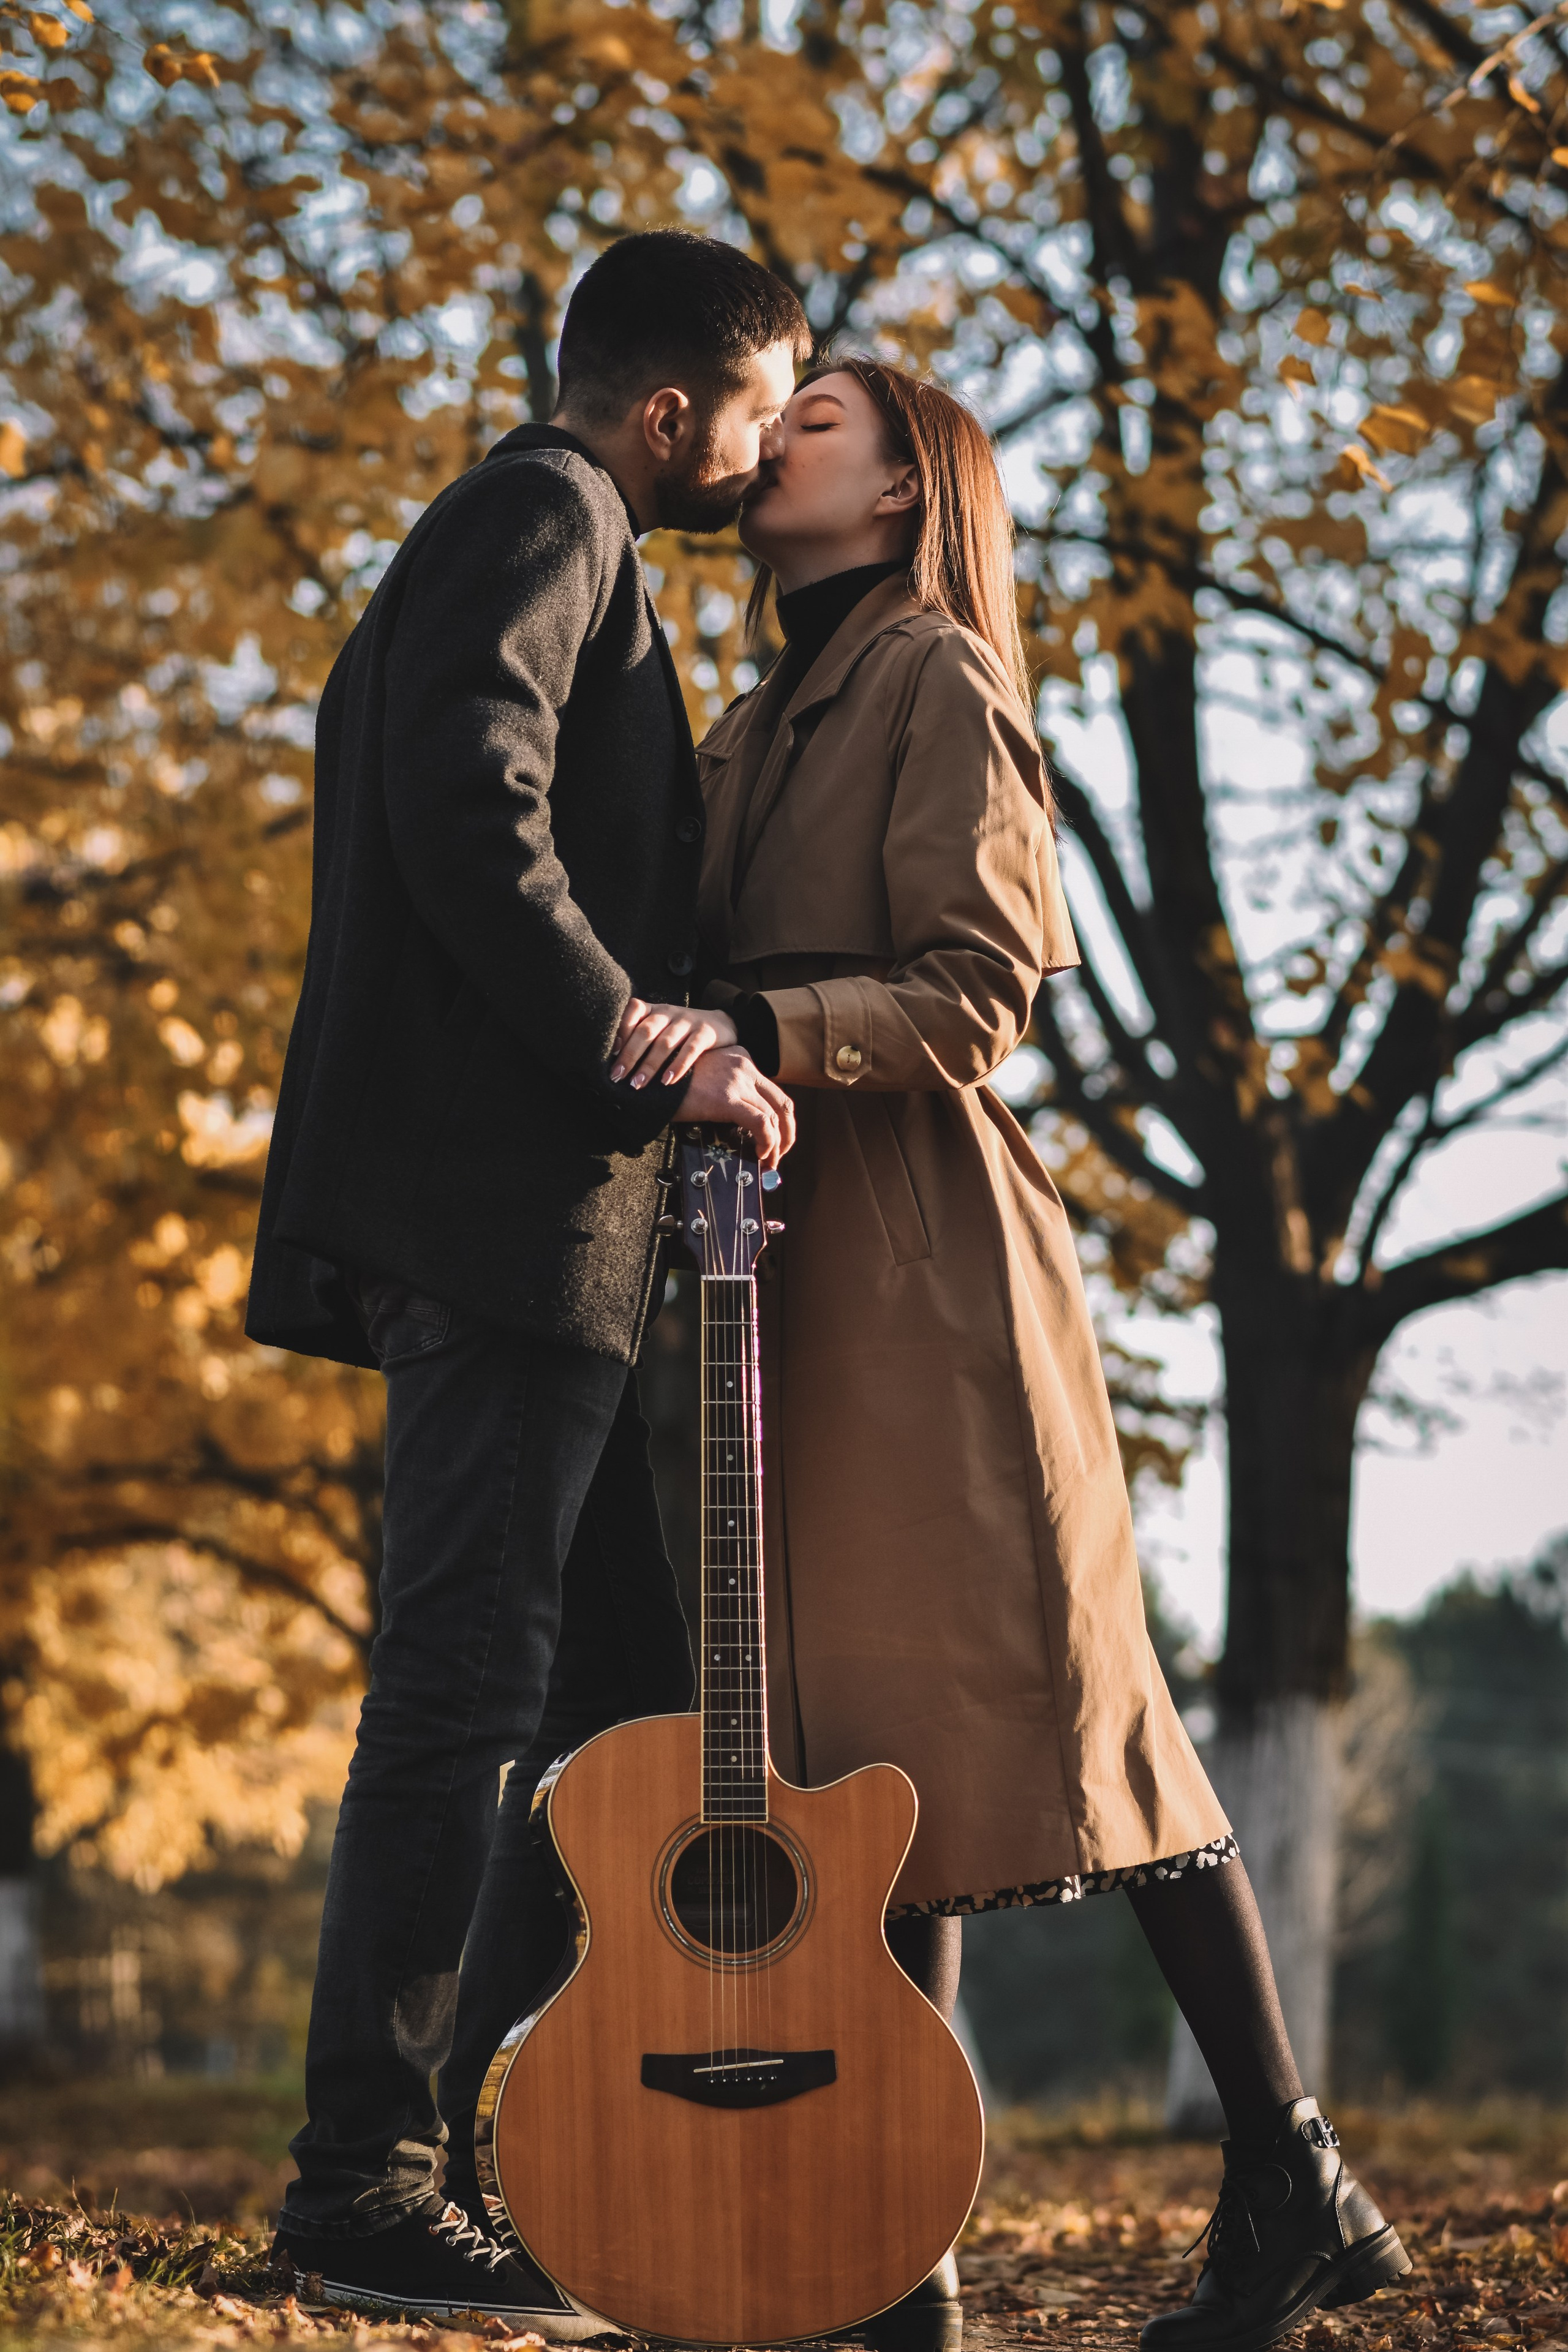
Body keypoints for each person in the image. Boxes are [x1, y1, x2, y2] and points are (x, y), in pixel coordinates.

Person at [609, 359, 1412, 2352]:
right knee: (870, 1768)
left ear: (904, 492)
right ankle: (903, 2251)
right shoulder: (754, 715)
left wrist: (756, 1034)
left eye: (816, 419)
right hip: (776, 1267)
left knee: (1076, 1714)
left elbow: (977, 993)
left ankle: (1290, 2169)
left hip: (928, 1268)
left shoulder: (937, 676)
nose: (772, 436)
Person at [245, 230, 807, 2327]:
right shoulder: (549, 511)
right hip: (501, 1222)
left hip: (540, 1234)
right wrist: (645, 1038)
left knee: (625, 1715)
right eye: (763, 415)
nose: (766, 455)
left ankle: (515, 2146)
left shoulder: (549, 529)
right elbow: (466, 799)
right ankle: (361, 2190)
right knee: (465, 1696)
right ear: (672, 410)